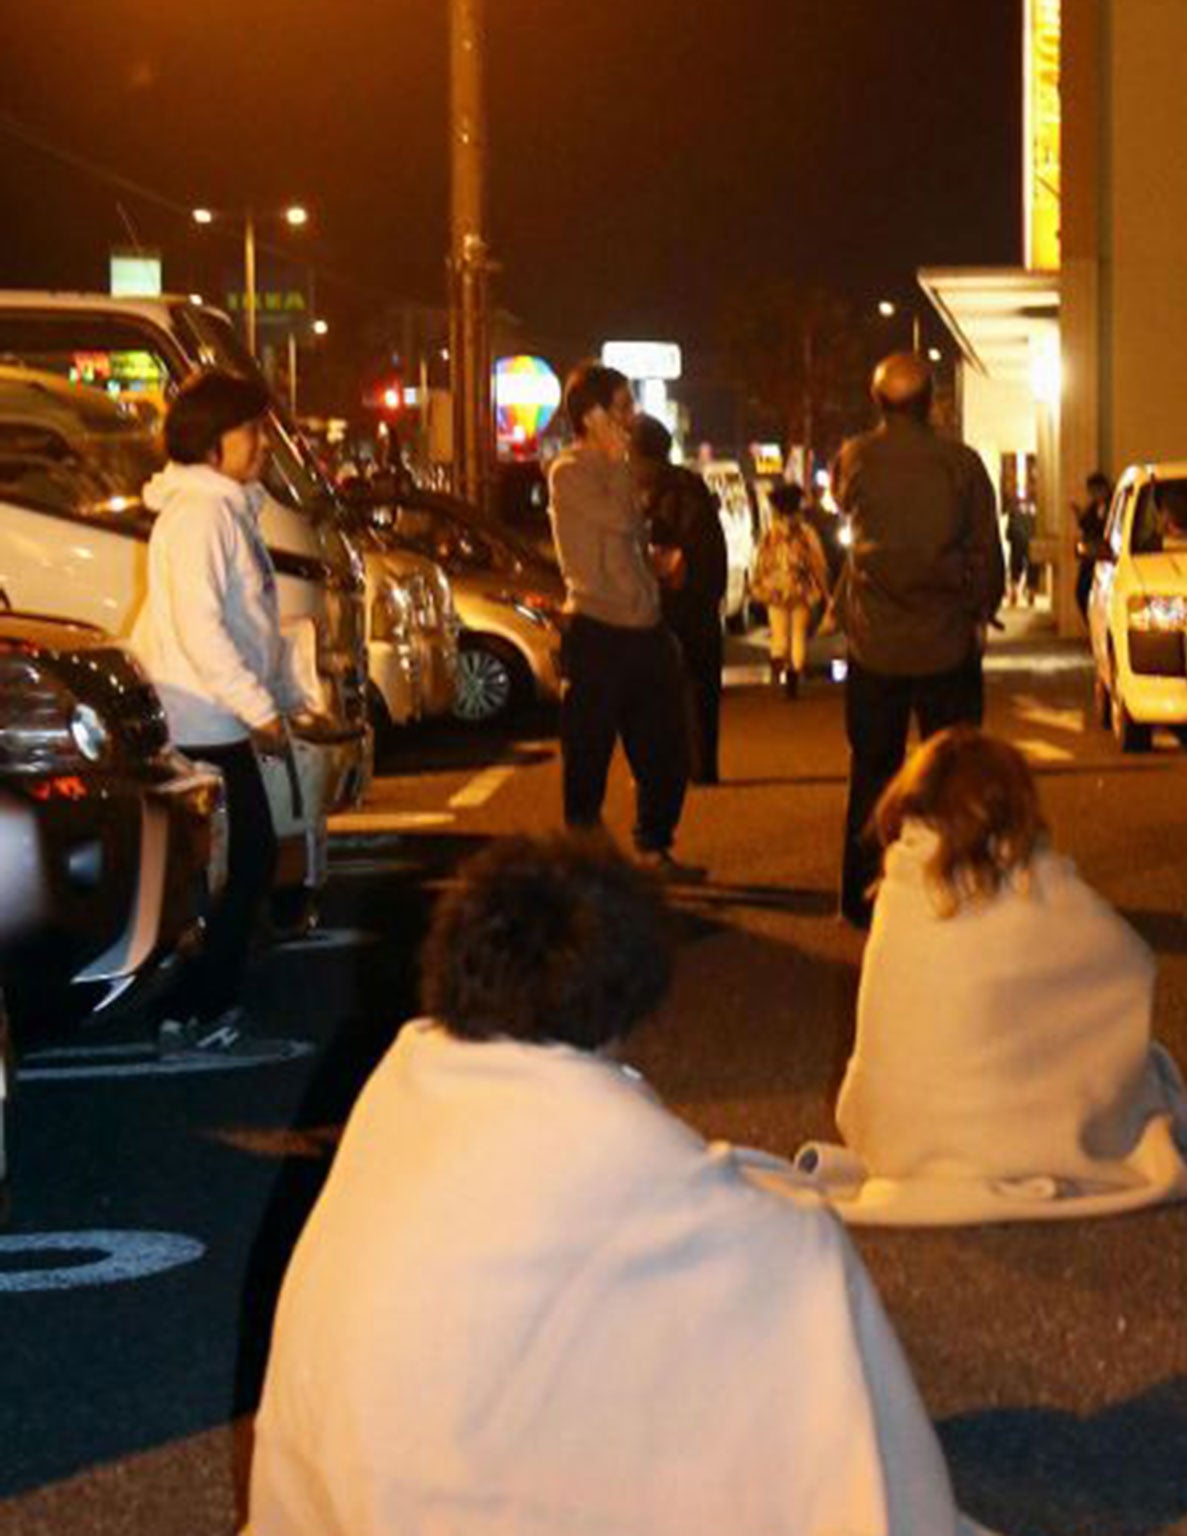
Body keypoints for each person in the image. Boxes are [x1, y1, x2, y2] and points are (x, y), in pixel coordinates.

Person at [248, 835, 993, 1535]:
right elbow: (770, 1252)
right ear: (627, 996)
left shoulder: (407, 1089)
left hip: (363, 1495)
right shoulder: (595, 1135)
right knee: (807, 1269)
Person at [794, 728, 1187, 1224]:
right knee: (1120, 1055)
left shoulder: (901, 883)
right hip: (995, 1133)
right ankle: (1028, 1117)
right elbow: (1130, 964)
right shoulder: (1034, 881)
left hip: (894, 1139)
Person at [129, 370, 306, 1050]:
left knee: (240, 863)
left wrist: (281, 697)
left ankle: (202, 998)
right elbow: (203, 628)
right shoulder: (201, 515)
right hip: (198, 716)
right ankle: (196, 1006)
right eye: (252, 431)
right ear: (213, 443)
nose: (263, 442)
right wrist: (258, 708)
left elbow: (249, 622)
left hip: (215, 713)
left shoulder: (226, 507)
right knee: (245, 860)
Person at [830, 352, 1004, 926]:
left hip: (875, 640)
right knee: (954, 772)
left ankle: (861, 897)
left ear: (877, 401)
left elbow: (843, 507)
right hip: (947, 636)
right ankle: (960, 885)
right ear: (931, 400)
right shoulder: (960, 463)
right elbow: (985, 549)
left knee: (872, 769)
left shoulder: (855, 457)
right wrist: (981, 611)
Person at [549, 363, 690, 873]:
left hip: (645, 627)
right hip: (596, 628)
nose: (632, 417)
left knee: (665, 748)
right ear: (592, 415)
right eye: (623, 406)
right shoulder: (570, 470)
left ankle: (654, 845)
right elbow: (622, 518)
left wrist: (656, 571)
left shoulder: (620, 466)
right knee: (588, 755)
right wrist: (616, 461)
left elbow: (633, 532)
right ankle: (581, 857)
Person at [633, 417, 728, 784]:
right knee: (701, 688)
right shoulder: (690, 486)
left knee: (650, 692)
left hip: (646, 605)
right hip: (695, 604)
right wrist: (710, 595)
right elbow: (712, 546)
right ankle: (703, 767)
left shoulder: (621, 484)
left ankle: (656, 769)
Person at [750, 482, 831, 699]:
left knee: (779, 633)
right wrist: (825, 590)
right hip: (801, 589)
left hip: (775, 590)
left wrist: (757, 583)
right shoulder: (806, 533)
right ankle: (794, 674)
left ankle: (778, 659)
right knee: (798, 634)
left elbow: (760, 561)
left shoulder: (770, 534)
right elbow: (818, 562)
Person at [1071, 470, 1112, 618]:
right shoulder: (1094, 507)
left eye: (1095, 491)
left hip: (1106, 555)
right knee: (1081, 591)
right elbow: (1087, 525)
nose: (1093, 495)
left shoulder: (1114, 504)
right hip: (1092, 554)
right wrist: (1079, 516)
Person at [1003, 495, 1037, 608]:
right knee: (1032, 567)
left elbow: (1008, 534)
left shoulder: (1013, 515)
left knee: (1015, 568)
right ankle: (1031, 591)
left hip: (1016, 545)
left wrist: (1013, 538)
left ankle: (1014, 593)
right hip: (1031, 543)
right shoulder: (1034, 515)